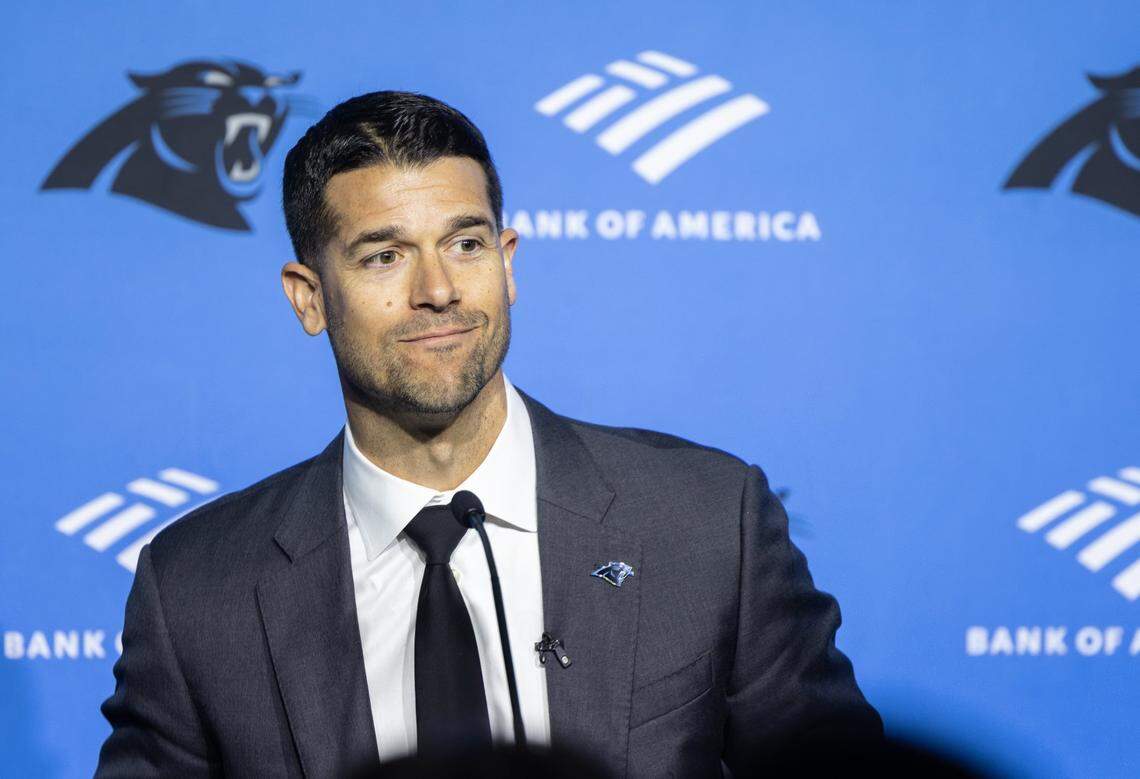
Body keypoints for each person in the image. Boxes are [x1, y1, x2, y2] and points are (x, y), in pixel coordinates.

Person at [95, 91, 881, 778]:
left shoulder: (709, 523)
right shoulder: (198, 591)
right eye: (384, 255)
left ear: (508, 264)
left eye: (465, 244)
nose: (437, 290)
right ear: (309, 298)